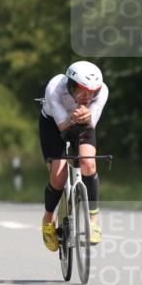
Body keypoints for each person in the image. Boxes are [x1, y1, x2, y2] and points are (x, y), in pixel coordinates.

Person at [39, 61, 109, 251]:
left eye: (93, 92)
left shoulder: (102, 92)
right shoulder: (54, 89)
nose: (88, 97)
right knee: (59, 174)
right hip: (54, 125)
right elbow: (63, 127)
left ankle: (93, 221)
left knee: (89, 164)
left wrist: (86, 117)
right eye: (83, 91)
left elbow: (90, 125)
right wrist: (73, 118)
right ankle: (48, 219)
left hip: (82, 123)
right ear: (71, 85)